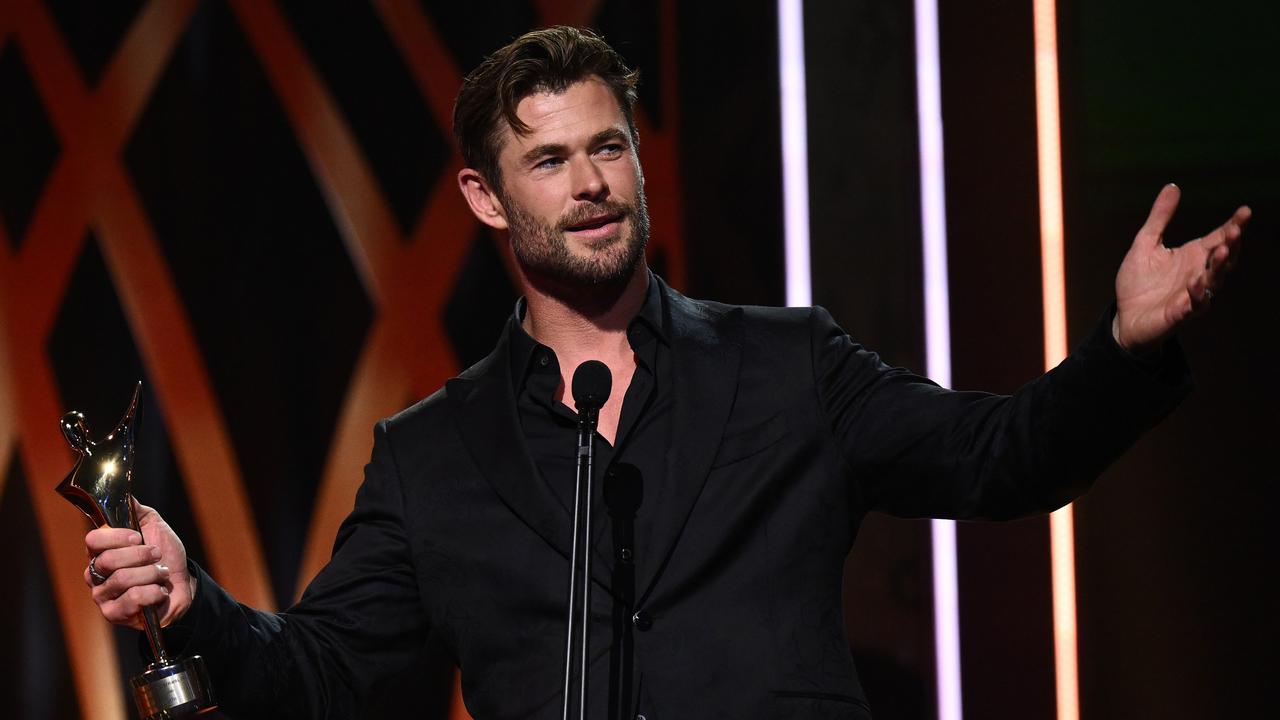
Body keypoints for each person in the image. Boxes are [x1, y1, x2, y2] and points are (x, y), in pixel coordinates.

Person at [82, 26, 1250, 719]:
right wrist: (201, 607)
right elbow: (325, 677)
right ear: (486, 199)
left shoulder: (787, 366)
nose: (589, 183)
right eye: (548, 160)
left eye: (607, 148)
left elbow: (1005, 459)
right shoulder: (431, 458)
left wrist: (1120, 348)